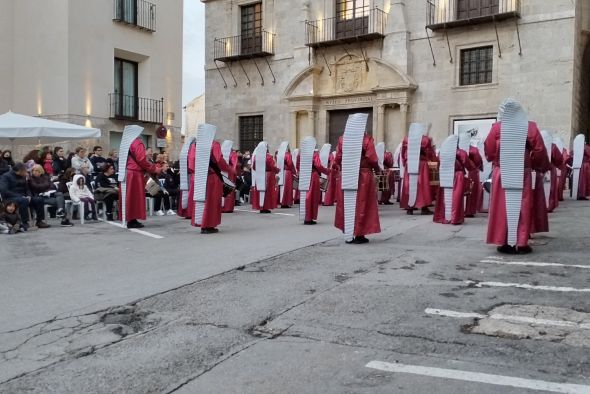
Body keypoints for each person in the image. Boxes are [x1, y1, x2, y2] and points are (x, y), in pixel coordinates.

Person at [485, 99, 549, 254]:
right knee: (523, 206)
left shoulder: (497, 128)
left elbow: (489, 149)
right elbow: (539, 150)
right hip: (522, 171)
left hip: (503, 170)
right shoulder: (531, 127)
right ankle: (521, 242)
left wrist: (495, 161)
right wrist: (535, 165)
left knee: (502, 206)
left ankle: (505, 240)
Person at [334, 114, 381, 244]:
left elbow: (337, 159)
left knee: (347, 203)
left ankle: (348, 232)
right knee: (362, 203)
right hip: (363, 175)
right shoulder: (366, 140)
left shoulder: (342, 140)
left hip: (347, 175)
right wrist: (377, 170)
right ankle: (359, 234)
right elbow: (372, 158)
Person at [118, 125, 161, 229]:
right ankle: (132, 219)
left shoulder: (126, 143)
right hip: (134, 173)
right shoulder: (137, 142)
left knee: (128, 197)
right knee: (134, 197)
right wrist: (153, 169)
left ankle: (130, 218)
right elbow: (141, 159)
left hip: (126, 172)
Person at [193, 125, 234, 233]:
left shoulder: (199, 145)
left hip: (202, 176)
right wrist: (229, 169)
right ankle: (208, 225)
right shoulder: (214, 144)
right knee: (212, 201)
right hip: (213, 176)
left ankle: (203, 223)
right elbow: (219, 159)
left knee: (204, 200)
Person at [433, 136, 476, 225]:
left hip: (445, 175)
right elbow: (468, 164)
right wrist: (473, 169)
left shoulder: (442, 152)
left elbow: (438, 163)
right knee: (457, 196)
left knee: (445, 197)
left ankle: (445, 216)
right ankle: (455, 218)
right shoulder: (461, 152)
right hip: (458, 175)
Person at [0, 162, 50, 229]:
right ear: (19, 170)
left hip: (24, 197)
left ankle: (39, 221)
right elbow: (4, 191)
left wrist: (29, 195)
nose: (26, 172)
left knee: (39, 200)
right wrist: (20, 196)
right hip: (10, 198)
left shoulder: (22, 176)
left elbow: (27, 189)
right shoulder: (5, 176)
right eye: (25, 170)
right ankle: (24, 222)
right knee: (23, 200)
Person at [401, 124, 437, 215]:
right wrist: (432, 160)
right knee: (422, 185)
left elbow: (403, 153)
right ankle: (424, 207)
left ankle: (410, 207)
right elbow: (429, 152)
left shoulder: (406, 139)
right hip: (422, 163)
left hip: (410, 163)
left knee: (409, 185)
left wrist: (406, 162)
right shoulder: (425, 140)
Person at [251, 142, 279, 214]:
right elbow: (272, 166)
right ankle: (265, 207)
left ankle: (261, 206)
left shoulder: (256, 156)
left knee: (260, 191)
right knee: (267, 191)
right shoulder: (268, 157)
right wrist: (277, 170)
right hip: (268, 175)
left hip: (259, 174)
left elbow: (254, 167)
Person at [303, 149, 329, 224]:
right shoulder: (315, 154)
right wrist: (327, 171)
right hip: (313, 175)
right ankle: (309, 218)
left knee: (305, 195)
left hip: (305, 174)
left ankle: (306, 216)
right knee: (312, 196)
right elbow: (318, 165)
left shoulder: (304, 154)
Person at [177, 136, 196, 220]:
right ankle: (190, 212)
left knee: (186, 193)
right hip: (191, 174)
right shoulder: (192, 150)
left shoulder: (184, 152)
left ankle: (185, 212)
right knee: (191, 194)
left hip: (186, 173)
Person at [465, 143, 483, 217]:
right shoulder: (474, 150)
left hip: (462, 171)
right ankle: (470, 211)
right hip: (472, 171)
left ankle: (462, 211)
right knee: (472, 191)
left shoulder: (457, 149)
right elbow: (478, 160)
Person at [277, 143, 296, 209]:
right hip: (287, 172)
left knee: (282, 187)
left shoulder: (280, 155)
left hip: (281, 172)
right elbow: (290, 164)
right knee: (287, 187)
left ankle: (281, 201)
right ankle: (285, 202)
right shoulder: (288, 155)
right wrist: (293, 171)